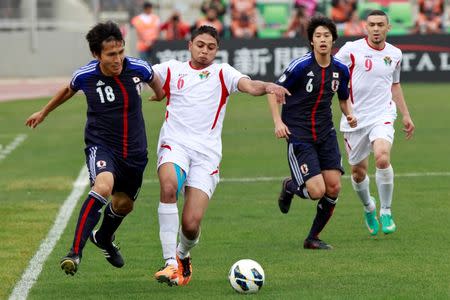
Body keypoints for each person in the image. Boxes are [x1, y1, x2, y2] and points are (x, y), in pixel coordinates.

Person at [150, 25, 290, 286]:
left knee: (191, 225)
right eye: (200, 45)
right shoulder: (171, 69)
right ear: (189, 45)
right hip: (174, 145)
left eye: (211, 47)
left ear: (217, 50)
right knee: (168, 186)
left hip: (206, 156)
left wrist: (268, 86)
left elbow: (248, 85)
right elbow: (143, 74)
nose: (204, 51)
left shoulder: (222, 73)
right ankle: (170, 262)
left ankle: (182, 254)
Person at [25, 21, 164, 276]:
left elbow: (156, 80)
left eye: (121, 51)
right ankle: (74, 253)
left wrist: (159, 93)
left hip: (134, 153)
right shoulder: (86, 75)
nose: (118, 58)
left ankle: (103, 238)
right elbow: (69, 90)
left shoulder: (138, 68)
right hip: (101, 146)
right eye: (111, 54)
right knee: (103, 186)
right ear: (96, 55)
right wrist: (44, 112)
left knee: (123, 205)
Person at [268, 16, 357, 250]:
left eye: (327, 35)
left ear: (333, 40)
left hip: (326, 133)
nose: (323, 40)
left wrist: (349, 114)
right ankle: (290, 186)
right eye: (318, 36)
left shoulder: (340, 70)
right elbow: (273, 91)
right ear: (311, 42)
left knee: (334, 187)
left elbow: (343, 99)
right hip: (299, 135)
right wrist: (278, 122)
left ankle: (313, 238)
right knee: (317, 191)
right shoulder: (301, 66)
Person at [335, 10, 415, 236]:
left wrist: (406, 114)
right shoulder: (351, 50)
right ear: (365, 27)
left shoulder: (395, 54)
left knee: (382, 156)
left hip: (383, 113)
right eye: (372, 24)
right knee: (358, 172)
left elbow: (395, 85)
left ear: (388, 27)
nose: (376, 28)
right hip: (355, 119)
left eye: (381, 24)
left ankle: (386, 210)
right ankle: (369, 207)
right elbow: (329, 68)